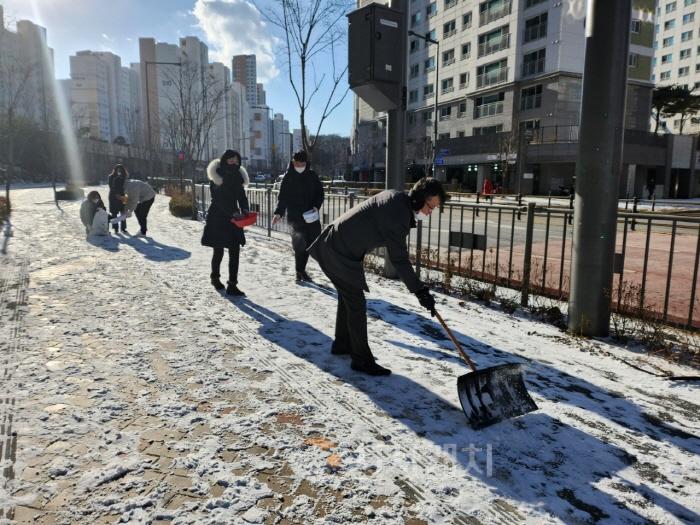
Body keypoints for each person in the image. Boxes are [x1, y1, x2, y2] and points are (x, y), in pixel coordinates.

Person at [309, 178, 448, 376]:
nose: (429, 212)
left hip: (338, 246)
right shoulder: (397, 214)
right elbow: (399, 259)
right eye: (429, 207)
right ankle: (361, 360)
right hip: (337, 251)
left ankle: (343, 344)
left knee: (348, 297)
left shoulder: (398, 200)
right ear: (418, 200)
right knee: (356, 303)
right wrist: (420, 291)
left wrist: (419, 290)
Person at [201, 149, 250, 296]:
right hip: (218, 217)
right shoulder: (217, 175)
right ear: (225, 160)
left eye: (236, 161)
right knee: (219, 250)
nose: (234, 163)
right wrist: (232, 213)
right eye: (231, 160)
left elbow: (241, 196)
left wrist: (245, 209)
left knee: (235, 250)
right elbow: (218, 199)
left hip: (233, 218)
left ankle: (232, 285)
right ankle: (215, 278)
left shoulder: (238, 176)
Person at [272, 151, 324, 283]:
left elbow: (320, 193)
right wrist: (278, 213)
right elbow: (282, 197)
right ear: (293, 162)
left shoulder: (312, 175)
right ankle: (299, 272)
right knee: (299, 245)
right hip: (295, 217)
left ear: (306, 163)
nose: (300, 165)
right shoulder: (288, 177)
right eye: (297, 162)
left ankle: (301, 270)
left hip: (311, 217)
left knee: (309, 245)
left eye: (302, 162)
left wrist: (316, 206)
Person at [108, 164, 128, 234]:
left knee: (123, 212)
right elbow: (111, 186)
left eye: (121, 170)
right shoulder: (111, 177)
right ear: (115, 170)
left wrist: (124, 195)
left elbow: (126, 186)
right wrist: (117, 194)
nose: (119, 171)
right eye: (117, 169)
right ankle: (115, 228)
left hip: (123, 196)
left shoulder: (125, 177)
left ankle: (123, 228)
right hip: (113, 196)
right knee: (114, 213)